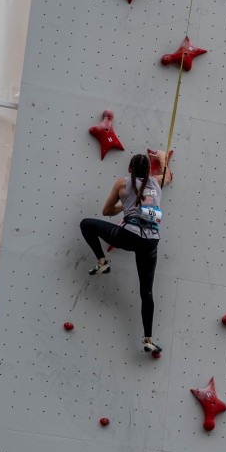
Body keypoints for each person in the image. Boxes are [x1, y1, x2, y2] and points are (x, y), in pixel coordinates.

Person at [80, 152, 172, 355]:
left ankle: (102, 261)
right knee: (146, 292)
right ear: (149, 170)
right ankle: (148, 339)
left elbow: (107, 211)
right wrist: (163, 158)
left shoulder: (122, 184)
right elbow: (168, 176)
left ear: (130, 169)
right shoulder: (157, 182)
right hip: (150, 242)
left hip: (128, 236)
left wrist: (127, 205)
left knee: (86, 224)